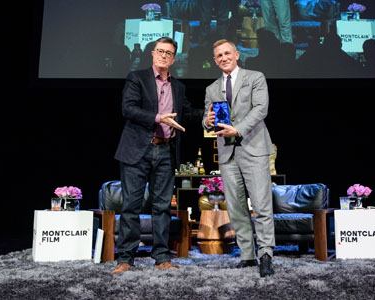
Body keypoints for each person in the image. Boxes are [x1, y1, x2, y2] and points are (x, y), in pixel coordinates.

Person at [112, 36, 200, 274]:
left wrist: (207, 118)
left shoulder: (178, 87)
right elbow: (128, 109)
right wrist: (159, 118)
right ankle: (125, 258)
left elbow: (187, 113)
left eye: (169, 53)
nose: (164, 56)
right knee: (131, 205)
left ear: (174, 58)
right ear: (152, 53)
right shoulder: (137, 78)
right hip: (138, 150)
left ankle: (161, 256)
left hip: (165, 150)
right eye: (160, 51)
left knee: (161, 207)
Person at [202, 39, 276, 277]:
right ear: (215, 60)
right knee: (236, 208)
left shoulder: (255, 77)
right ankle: (247, 255)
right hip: (227, 152)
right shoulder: (212, 88)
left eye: (227, 53)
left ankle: (266, 254)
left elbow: (260, 109)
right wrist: (207, 121)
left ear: (236, 54)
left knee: (262, 205)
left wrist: (238, 129)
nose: (223, 58)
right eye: (218, 56)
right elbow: (207, 115)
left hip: (253, 148)